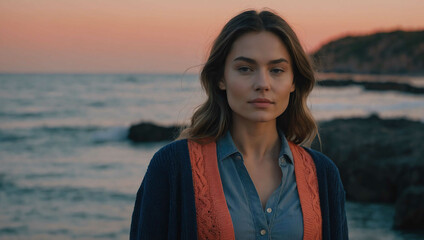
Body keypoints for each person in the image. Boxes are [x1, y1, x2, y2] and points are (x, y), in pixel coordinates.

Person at [130, 9, 348, 240]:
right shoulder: (171, 166)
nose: (262, 83)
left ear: (293, 81)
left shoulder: (323, 174)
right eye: (245, 68)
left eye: (277, 70)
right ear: (221, 78)